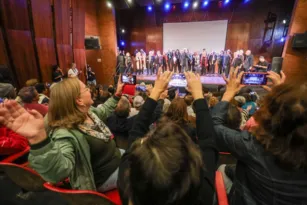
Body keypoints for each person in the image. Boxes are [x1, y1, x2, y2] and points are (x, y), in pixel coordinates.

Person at [0, 77, 125, 192]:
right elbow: (57, 172)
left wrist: (117, 95)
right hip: (104, 178)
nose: (90, 90)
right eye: (86, 89)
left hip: (117, 158)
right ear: (79, 100)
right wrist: (38, 139)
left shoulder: (88, 112)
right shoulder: (65, 132)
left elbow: (102, 112)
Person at [118, 69, 218, 205]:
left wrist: (155, 93)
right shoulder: (202, 196)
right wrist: (198, 95)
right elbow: (208, 141)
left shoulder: (128, 187)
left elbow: (136, 133)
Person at [214, 68, 307, 205]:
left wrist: (228, 93)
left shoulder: (253, 146)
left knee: (222, 169)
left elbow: (214, 125)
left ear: (272, 116)